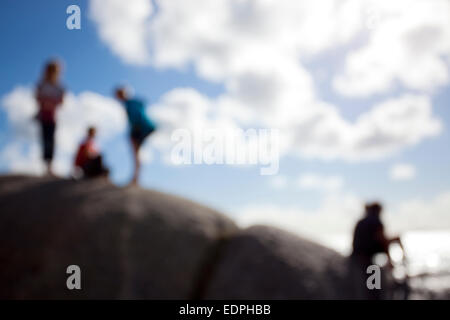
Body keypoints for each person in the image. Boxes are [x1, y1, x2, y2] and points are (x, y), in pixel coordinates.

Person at [350, 202, 405, 299]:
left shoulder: (361, 221)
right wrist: (390, 261)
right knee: (374, 288)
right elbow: (382, 240)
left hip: (358, 255)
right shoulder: (375, 221)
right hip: (365, 258)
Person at [115, 86, 156, 185]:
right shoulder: (134, 102)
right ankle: (136, 177)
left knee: (136, 154)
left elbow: (136, 117)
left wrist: (135, 130)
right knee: (137, 154)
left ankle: (135, 178)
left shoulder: (129, 104)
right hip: (147, 128)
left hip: (139, 129)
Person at [35, 59, 65, 175]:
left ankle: (50, 165)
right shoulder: (42, 85)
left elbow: (61, 101)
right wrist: (48, 102)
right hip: (43, 117)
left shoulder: (59, 87)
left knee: (51, 140)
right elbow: (38, 98)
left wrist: (49, 102)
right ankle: (46, 165)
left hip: (53, 117)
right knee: (45, 139)